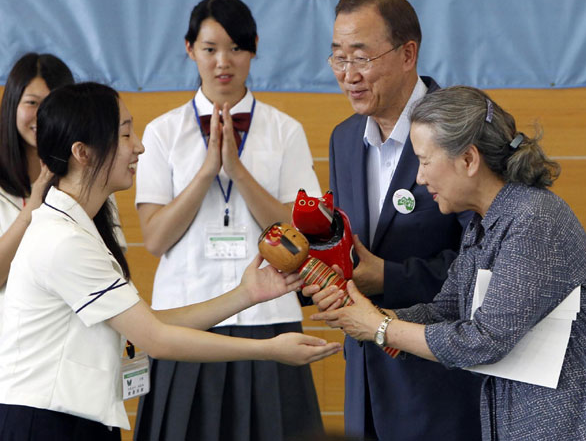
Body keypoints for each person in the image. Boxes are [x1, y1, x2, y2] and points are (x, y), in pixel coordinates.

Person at [0, 82, 341, 441]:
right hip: (44, 421)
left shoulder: (80, 228)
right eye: (126, 134)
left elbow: (147, 322)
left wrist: (245, 295)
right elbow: (157, 339)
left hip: (70, 417)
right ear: (82, 153)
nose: (139, 146)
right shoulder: (63, 239)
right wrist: (269, 349)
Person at [312, 85, 586, 440]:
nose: (419, 177)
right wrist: (365, 314)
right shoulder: (483, 221)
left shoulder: (533, 219)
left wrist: (379, 328)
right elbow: (447, 309)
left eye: (425, 160)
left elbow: (484, 340)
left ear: (468, 160)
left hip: (562, 424)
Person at [134, 0, 325, 441]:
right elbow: (155, 239)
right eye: (209, 48)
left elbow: (300, 235)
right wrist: (206, 173)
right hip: (185, 315)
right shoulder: (163, 131)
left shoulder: (285, 130)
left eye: (236, 48)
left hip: (269, 318)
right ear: (189, 50)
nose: (224, 61)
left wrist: (238, 172)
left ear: (254, 47)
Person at [302, 0, 482, 440]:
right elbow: (349, 247)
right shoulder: (344, 139)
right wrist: (320, 274)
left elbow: (488, 264)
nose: (348, 74)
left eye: (361, 57)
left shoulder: (466, 128)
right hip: (364, 380)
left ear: (407, 53)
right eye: (338, 58)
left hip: (440, 384)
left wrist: (389, 277)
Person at [0, 53, 74, 334]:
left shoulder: (89, 176)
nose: (42, 116)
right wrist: (33, 208)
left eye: (54, 104)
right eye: (32, 103)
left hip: (68, 342)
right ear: (12, 105)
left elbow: (112, 266)